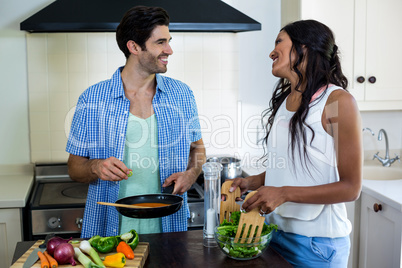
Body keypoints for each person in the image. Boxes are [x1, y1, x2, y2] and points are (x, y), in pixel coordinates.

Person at [229, 20, 362, 267]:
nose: (271, 52)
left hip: (316, 246)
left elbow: (351, 188)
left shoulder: (336, 102)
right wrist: (254, 181)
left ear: (305, 48)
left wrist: (283, 193)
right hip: (275, 236)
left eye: (279, 41)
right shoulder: (286, 100)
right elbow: (295, 168)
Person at [66, 6, 206, 238]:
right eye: (160, 42)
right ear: (134, 47)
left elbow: (197, 148)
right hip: (109, 232)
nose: (169, 50)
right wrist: (95, 166)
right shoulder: (92, 99)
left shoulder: (182, 95)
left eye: (169, 41)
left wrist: (191, 174)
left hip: (169, 230)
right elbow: (74, 168)